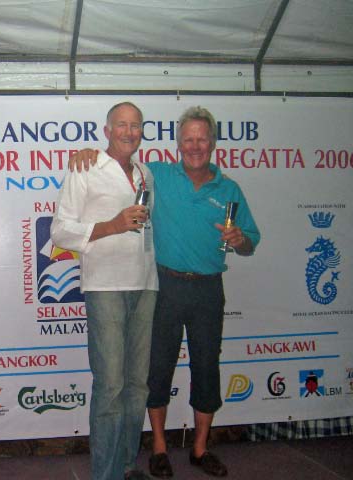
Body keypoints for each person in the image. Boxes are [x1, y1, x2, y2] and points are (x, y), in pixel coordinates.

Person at [70, 105, 260, 478]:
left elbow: (251, 242)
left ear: (213, 143)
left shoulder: (229, 189)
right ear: (177, 143)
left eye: (201, 139)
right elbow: (118, 160)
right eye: (188, 139)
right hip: (165, 285)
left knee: (207, 366)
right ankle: (158, 448)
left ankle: (200, 449)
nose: (194, 146)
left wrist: (241, 240)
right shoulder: (156, 174)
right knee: (156, 369)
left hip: (209, 288)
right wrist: (88, 153)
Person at [51, 102, 158, 480]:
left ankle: (126, 466)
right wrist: (112, 225)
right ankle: (105, 474)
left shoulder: (145, 173)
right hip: (106, 287)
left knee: (137, 387)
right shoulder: (86, 167)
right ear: (107, 130)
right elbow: (60, 231)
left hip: (146, 284)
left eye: (136, 126)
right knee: (111, 386)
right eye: (121, 125)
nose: (129, 132)